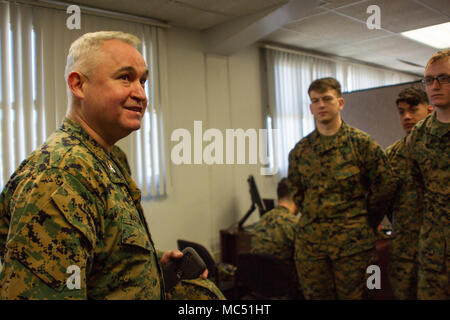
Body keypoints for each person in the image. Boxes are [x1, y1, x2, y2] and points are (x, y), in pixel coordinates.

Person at [0, 31, 216, 300]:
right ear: (78, 85)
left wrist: (152, 262)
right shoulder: (60, 174)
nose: (141, 94)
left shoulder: (110, 159)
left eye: (143, 81)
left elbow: (102, 253)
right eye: (125, 78)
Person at [287, 77, 397, 300]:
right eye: (315, 101)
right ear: (310, 107)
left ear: (340, 103)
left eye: (327, 99)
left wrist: (367, 219)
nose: (321, 105)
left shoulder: (362, 144)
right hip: (312, 248)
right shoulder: (300, 151)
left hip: (354, 246)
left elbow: (385, 186)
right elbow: (297, 194)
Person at [405, 49, 450, 300]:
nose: (435, 85)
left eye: (444, 78)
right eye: (429, 80)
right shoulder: (419, 136)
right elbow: (414, 197)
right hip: (434, 256)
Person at [385, 87, 433, 299]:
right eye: (402, 112)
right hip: (403, 250)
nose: (407, 117)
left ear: (429, 110)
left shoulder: (441, 150)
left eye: (413, 110)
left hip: (437, 252)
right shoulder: (392, 155)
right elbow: (382, 199)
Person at [251, 177, 299, 261]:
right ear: (297, 198)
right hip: (284, 273)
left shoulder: (262, 220)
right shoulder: (294, 224)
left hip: (257, 273)